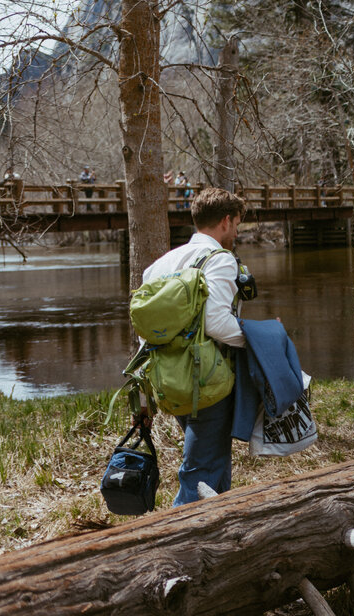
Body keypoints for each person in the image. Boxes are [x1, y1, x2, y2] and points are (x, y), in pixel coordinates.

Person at [139, 187, 249, 505]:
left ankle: (218, 533)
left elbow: (147, 330)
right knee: (202, 471)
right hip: (206, 381)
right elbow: (216, 322)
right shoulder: (220, 259)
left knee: (211, 462)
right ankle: (179, 540)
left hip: (169, 380)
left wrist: (146, 396)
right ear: (226, 221)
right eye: (238, 224)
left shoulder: (161, 264)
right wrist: (253, 339)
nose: (237, 232)